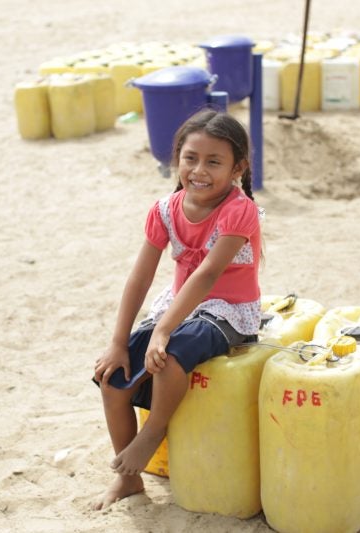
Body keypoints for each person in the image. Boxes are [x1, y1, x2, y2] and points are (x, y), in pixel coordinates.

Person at [91, 108, 262, 510]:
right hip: (179, 307)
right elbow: (140, 277)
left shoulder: (240, 211)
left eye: (214, 161)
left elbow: (206, 275)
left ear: (238, 167)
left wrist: (163, 331)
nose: (199, 170)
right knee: (113, 377)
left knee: (168, 356)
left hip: (227, 311)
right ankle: (129, 480)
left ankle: (153, 432)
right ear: (177, 158)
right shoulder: (165, 210)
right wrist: (119, 342)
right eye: (191, 158)